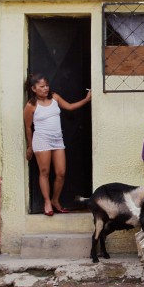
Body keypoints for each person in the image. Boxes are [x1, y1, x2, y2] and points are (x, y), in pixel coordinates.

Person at [23, 74, 92, 216]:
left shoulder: (54, 97)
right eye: (42, 86)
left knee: (61, 173)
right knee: (44, 172)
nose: (45, 88)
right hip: (42, 139)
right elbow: (28, 127)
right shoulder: (31, 105)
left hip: (57, 139)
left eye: (47, 85)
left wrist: (87, 99)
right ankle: (47, 202)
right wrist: (29, 146)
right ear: (33, 88)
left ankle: (55, 200)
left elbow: (70, 107)